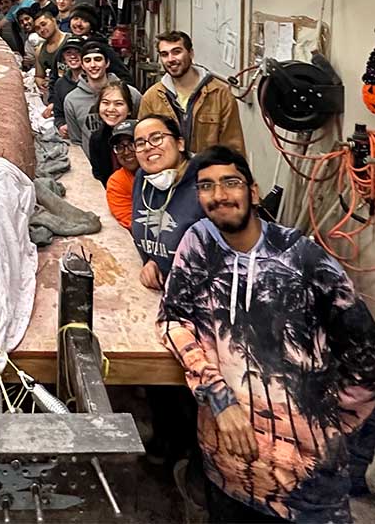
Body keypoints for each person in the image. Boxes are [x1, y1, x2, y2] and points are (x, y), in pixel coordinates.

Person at [160, 145, 375, 523]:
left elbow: (366, 356)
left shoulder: (304, 259)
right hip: (228, 468)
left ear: (253, 192)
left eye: (231, 183)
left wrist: (322, 421)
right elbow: (173, 319)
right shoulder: (199, 244)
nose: (220, 195)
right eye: (206, 186)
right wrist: (220, 398)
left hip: (304, 484)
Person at [140, 31, 246, 155]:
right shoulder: (151, 98)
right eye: (164, 54)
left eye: (177, 52)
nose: (170, 59)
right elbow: (143, 144)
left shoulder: (220, 95)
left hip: (208, 171)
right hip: (167, 172)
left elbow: (233, 147)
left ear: (191, 53)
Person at [130, 114, 203, 291]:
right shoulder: (143, 178)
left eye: (157, 138)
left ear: (180, 143)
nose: (148, 147)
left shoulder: (206, 181)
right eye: (140, 143)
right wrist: (153, 262)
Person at [64, 40, 142, 155]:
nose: (93, 65)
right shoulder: (71, 100)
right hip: (93, 167)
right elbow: (76, 141)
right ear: (82, 65)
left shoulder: (132, 94)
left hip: (128, 161)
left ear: (107, 63)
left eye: (98, 59)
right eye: (87, 60)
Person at [88, 80, 138, 186]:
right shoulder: (97, 138)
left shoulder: (140, 133)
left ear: (129, 109)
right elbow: (100, 175)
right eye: (105, 103)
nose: (111, 109)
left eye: (118, 104)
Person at [105, 120, 139, 229]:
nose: (126, 152)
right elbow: (133, 223)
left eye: (132, 144)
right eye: (119, 147)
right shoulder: (117, 182)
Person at [51, 37, 84, 139]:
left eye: (77, 52)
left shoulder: (94, 81)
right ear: (64, 58)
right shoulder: (60, 84)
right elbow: (58, 114)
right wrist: (61, 125)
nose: (73, 56)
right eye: (68, 53)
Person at [33, 8, 69, 97]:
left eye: (44, 24)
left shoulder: (71, 41)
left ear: (53, 21)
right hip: (55, 95)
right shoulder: (40, 50)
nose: (42, 29)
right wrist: (43, 84)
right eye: (37, 28)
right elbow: (39, 76)